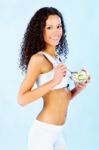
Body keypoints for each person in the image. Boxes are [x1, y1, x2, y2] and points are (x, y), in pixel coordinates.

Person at [18, 7, 90, 150]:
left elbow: (61, 98)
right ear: (40, 31)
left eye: (59, 26)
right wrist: (53, 81)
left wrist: (77, 89)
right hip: (42, 133)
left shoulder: (57, 58)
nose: (56, 32)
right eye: (49, 27)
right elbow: (22, 99)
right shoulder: (38, 59)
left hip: (58, 133)